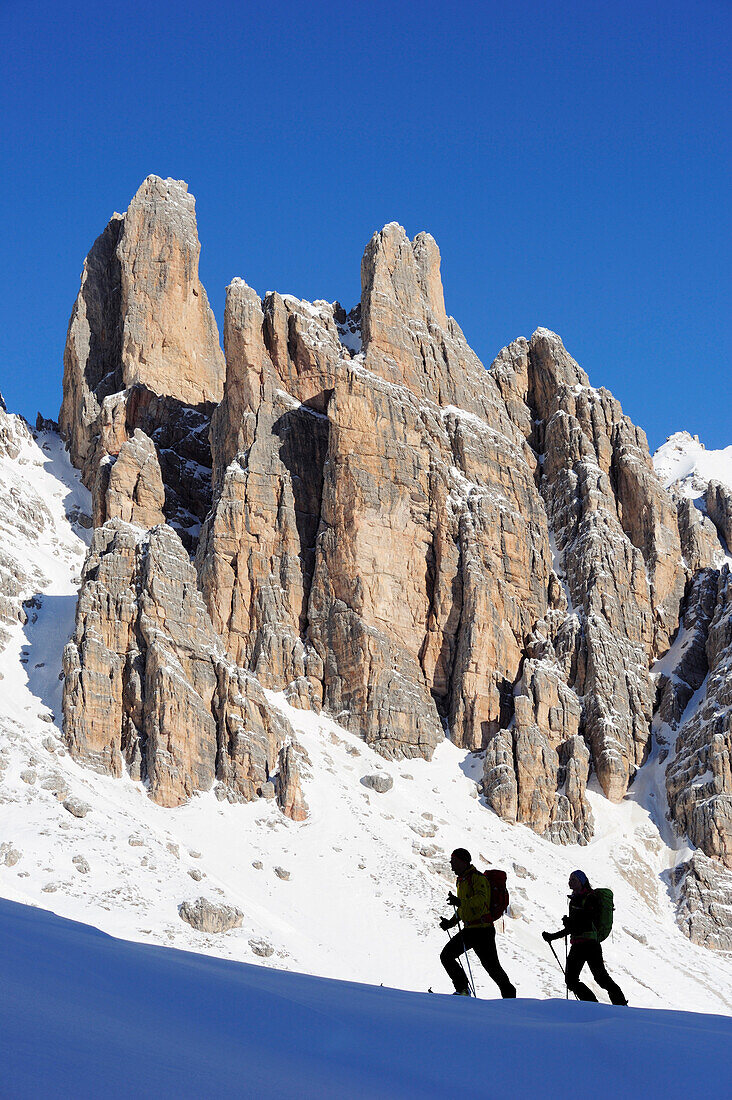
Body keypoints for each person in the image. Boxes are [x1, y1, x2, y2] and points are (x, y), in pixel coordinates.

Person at [438, 847, 516, 997]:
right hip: (474, 929)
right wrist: (450, 923)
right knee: (489, 966)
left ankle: (465, 990)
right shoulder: (462, 880)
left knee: (490, 966)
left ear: (463, 862)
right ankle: (465, 989)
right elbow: (465, 907)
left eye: (453, 861)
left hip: (481, 930)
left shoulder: (477, 878)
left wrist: (459, 902)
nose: (451, 865)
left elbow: (481, 901)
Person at [543, 870, 627, 1005]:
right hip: (585, 944)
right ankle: (606, 1004)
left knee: (584, 979)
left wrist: (554, 935)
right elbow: (576, 925)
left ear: (581, 881)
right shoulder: (577, 899)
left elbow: (584, 923)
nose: (570, 882)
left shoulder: (589, 898)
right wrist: (565, 927)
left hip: (586, 944)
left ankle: (597, 1005)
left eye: (573, 879)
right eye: (570, 879)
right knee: (593, 978)